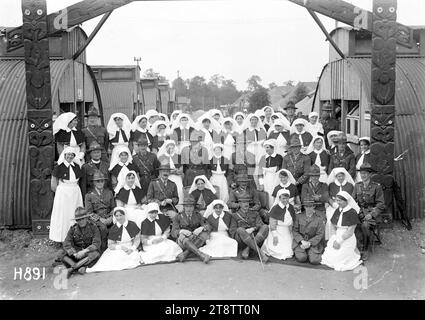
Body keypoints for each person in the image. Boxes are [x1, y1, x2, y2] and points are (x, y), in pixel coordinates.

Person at [86, 207, 141, 273]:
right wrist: (121, 247)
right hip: (118, 248)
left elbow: (137, 239)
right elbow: (110, 245)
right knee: (117, 257)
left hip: (130, 246)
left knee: (133, 257)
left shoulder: (132, 224)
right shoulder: (113, 228)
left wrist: (132, 248)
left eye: (121, 215)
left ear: (125, 215)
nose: (119, 218)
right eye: (117, 216)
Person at [50, 146, 84, 243]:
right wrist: (59, 194)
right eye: (68, 154)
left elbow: (79, 181)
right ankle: (61, 238)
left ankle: (76, 237)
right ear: (64, 155)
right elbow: (53, 184)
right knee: (63, 214)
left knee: (74, 213)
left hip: (75, 192)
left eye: (72, 155)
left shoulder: (77, 167)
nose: (70, 156)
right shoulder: (58, 167)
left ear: (74, 156)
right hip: (63, 193)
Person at [321, 191, 362, 271]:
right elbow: (333, 224)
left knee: (339, 260)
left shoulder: (352, 212)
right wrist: (335, 237)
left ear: (346, 201)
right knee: (330, 257)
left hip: (347, 238)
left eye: (340, 200)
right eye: (337, 200)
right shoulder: (338, 210)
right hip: (337, 234)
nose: (338, 202)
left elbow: (350, 232)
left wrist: (339, 241)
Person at [352, 163, 385, 261]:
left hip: (371, 214)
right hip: (360, 212)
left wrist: (372, 214)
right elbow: (353, 202)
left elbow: (381, 204)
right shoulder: (357, 186)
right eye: (362, 173)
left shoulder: (376, 187)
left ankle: (365, 249)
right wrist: (356, 213)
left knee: (365, 225)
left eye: (365, 173)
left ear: (370, 174)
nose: (363, 175)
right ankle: (355, 247)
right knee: (352, 223)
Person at [59, 207, 101, 277]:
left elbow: (96, 244)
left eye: (82, 219)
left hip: (87, 253)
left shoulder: (93, 227)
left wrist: (84, 251)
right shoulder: (73, 229)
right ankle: (83, 267)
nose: (81, 221)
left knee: (95, 254)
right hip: (76, 254)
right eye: (78, 220)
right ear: (76, 221)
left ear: (86, 218)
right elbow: (66, 243)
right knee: (61, 254)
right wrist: (74, 253)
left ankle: (71, 269)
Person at [172, 196, 211, 263]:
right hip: (184, 241)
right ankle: (201, 255)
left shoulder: (198, 215)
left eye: (191, 206)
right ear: (184, 207)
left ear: (194, 207)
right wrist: (181, 231)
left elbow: (208, 227)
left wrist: (201, 228)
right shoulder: (178, 216)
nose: (189, 209)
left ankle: (185, 254)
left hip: (195, 239)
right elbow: (173, 232)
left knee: (204, 234)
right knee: (181, 236)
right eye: (187, 206)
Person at [85, 171, 115, 252]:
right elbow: (89, 213)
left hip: (109, 217)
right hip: (97, 220)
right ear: (94, 182)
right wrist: (100, 219)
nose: (100, 183)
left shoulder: (109, 192)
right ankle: (103, 250)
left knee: (117, 226)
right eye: (97, 181)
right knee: (103, 228)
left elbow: (113, 207)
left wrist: (111, 217)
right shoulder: (89, 195)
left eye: (102, 181)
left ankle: (115, 250)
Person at [233, 194, 269, 261]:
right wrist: (245, 232)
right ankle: (261, 253)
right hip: (242, 239)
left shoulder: (255, 213)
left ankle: (248, 248)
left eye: (247, 202)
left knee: (265, 226)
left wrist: (253, 228)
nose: (246, 204)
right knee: (240, 230)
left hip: (254, 236)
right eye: (244, 202)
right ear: (240, 204)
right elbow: (233, 231)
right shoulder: (234, 215)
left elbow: (260, 224)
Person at [261, 189, 295, 260]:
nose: (285, 200)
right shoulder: (275, 208)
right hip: (277, 230)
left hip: (288, 231)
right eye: (283, 198)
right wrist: (275, 236)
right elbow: (272, 224)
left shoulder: (291, 207)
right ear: (279, 198)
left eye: (287, 198)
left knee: (289, 251)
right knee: (279, 249)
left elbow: (293, 220)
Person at [292, 199, 325, 265]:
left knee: (314, 260)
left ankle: (310, 253)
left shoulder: (319, 219)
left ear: (314, 206)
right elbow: (295, 231)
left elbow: (320, 234)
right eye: (307, 206)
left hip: (313, 243)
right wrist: (302, 241)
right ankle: (305, 253)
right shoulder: (299, 216)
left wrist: (309, 243)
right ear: (304, 207)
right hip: (300, 242)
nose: (308, 208)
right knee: (302, 258)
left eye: (310, 206)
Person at [326, 167, 355, 240]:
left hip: (346, 206)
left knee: (345, 223)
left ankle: (344, 239)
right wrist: (333, 204)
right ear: (335, 177)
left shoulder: (350, 185)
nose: (341, 178)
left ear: (345, 176)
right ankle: (332, 239)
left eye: (342, 176)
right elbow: (329, 197)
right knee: (331, 222)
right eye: (339, 176)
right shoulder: (331, 185)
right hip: (334, 207)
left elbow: (351, 198)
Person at [157, 140, 184, 210]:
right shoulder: (162, 157)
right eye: (169, 148)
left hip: (177, 178)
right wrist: (172, 172)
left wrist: (178, 171)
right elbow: (162, 170)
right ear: (166, 148)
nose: (171, 149)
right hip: (168, 178)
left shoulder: (178, 156)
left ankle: (179, 208)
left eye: (172, 148)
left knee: (179, 191)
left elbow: (181, 169)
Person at [257, 139, 283, 208]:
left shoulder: (279, 157)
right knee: (267, 195)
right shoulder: (263, 158)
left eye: (267, 147)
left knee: (274, 194)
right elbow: (260, 172)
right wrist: (261, 184)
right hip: (266, 179)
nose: (266, 149)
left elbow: (278, 169)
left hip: (275, 179)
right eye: (265, 147)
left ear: (273, 147)